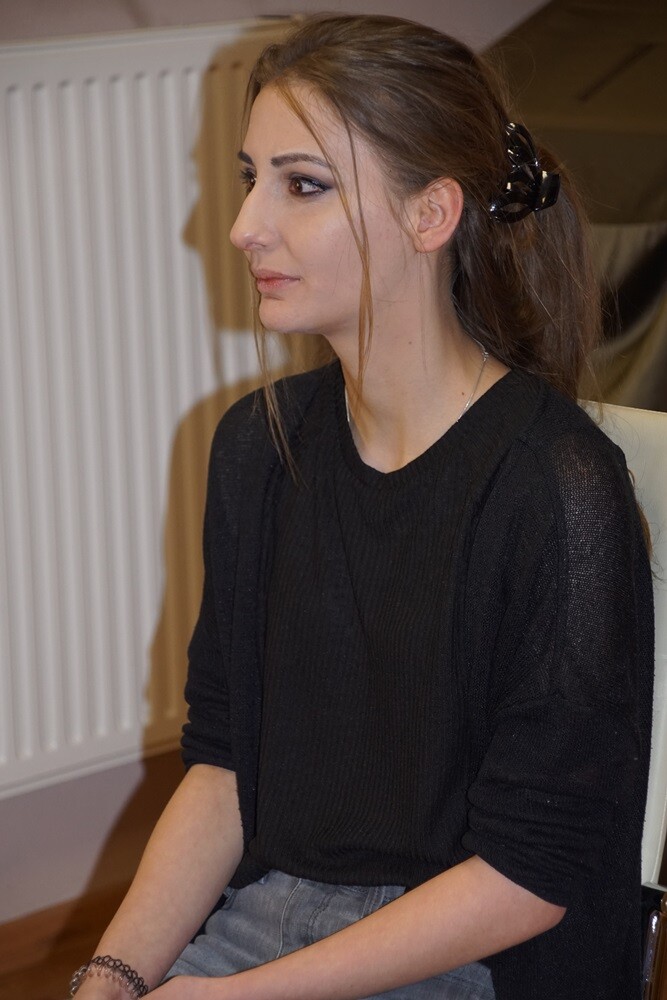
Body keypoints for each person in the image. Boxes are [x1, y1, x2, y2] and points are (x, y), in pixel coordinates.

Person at [69, 14, 654, 1000]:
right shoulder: (258, 446)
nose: (243, 225)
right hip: (272, 914)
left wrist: (228, 997)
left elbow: (530, 875)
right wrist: (112, 976)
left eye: (301, 185)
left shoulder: (554, 487)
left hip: (479, 956)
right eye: (251, 178)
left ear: (431, 215)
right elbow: (223, 768)